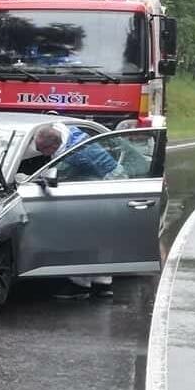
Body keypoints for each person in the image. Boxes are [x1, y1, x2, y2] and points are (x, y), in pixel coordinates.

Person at [33, 123, 122, 299]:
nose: (43, 154)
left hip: (102, 195)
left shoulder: (74, 155)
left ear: (53, 146)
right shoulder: (71, 132)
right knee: (100, 241)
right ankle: (103, 284)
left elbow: (52, 175)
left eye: (43, 151)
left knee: (78, 240)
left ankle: (80, 286)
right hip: (112, 191)